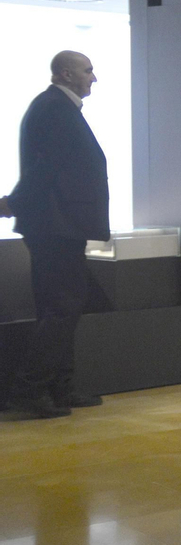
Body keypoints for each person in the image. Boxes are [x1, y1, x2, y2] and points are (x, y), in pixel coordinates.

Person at [0, 51, 109, 418]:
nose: (93, 77)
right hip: (55, 228)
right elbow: (44, 169)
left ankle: (58, 388)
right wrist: (13, 203)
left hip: (58, 227)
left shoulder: (57, 108)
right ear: (67, 74)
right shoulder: (54, 109)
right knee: (62, 307)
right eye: (88, 70)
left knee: (62, 307)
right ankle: (30, 392)